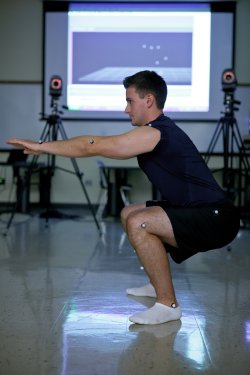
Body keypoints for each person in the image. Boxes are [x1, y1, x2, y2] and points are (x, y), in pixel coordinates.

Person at [7, 70, 240, 325]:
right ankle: (156, 283)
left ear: (148, 100)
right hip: (200, 209)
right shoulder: (157, 130)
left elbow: (90, 145)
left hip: (217, 217)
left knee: (138, 222)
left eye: (130, 101)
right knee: (129, 212)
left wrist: (41, 147)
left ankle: (168, 304)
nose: (126, 108)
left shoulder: (155, 133)